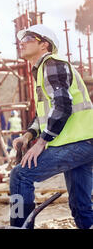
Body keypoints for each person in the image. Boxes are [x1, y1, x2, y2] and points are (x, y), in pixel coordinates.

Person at [10, 24, 93, 229]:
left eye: (28, 38)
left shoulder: (52, 63)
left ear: (44, 44)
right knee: (80, 205)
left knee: (20, 175)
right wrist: (29, 135)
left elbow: (63, 106)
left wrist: (41, 143)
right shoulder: (43, 70)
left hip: (77, 143)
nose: (22, 42)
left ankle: (19, 227)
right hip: (83, 142)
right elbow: (45, 115)